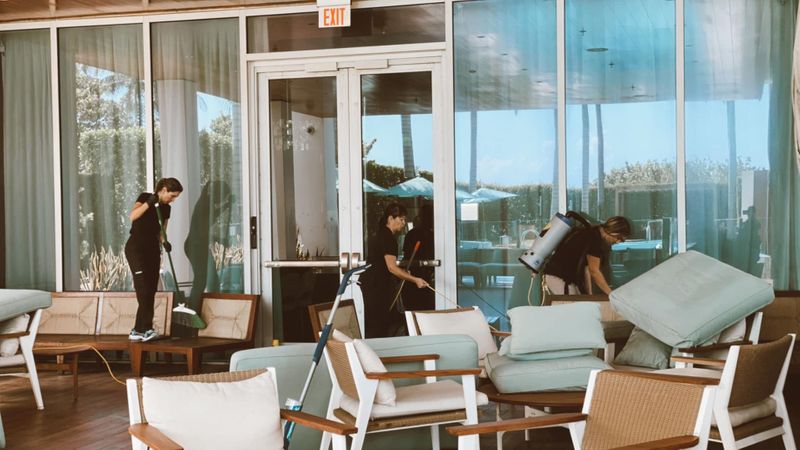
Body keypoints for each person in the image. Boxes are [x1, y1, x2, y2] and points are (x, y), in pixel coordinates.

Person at [125, 177, 183, 342]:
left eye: (175, 197)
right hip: (136, 249)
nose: (172, 200)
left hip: (152, 250)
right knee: (143, 287)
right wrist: (148, 203)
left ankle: (140, 330)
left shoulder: (166, 209)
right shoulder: (144, 197)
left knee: (150, 289)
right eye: (172, 196)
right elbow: (133, 216)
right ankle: (143, 328)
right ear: (163, 190)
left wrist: (165, 242)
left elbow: (161, 231)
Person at [360, 203, 429, 338]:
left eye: (404, 220)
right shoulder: (388, 238)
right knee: (378, 325)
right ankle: (378, 355)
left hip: (372, 284)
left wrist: (402, 272)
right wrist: (415, 280)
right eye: (401, 219)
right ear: (391, 218)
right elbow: (391, 267)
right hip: (376, 286)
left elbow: (384, 264)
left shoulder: (381, 234)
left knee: (376, 323)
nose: (403, 223)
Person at [543, 215, 632, 296]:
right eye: (619, 238)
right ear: (613, 232)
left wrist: (589, 295)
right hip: (559, 277)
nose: (617, 242)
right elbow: (594, 271)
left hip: (563, 278)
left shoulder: (592, 233)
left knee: (581, 306)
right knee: (574, 309)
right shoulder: (595, 239)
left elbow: (587, 269)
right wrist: (611, 294)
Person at [401, 203, 435, 311]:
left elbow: (406, 256)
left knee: (415, 306)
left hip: (414, 274)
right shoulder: (431, 234)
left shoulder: (413, 233)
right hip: (419, 274)